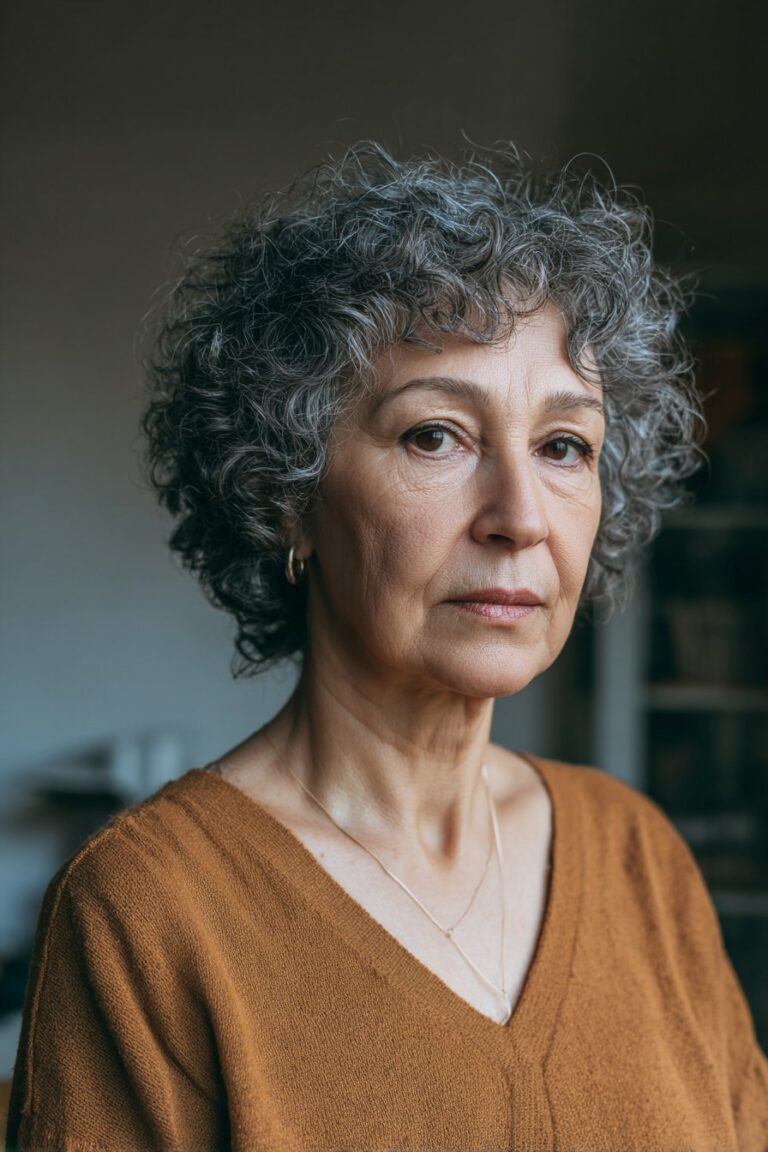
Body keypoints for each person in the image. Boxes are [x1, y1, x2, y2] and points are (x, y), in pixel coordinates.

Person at [6, 140, 768, 1151]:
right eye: (434, 435)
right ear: (288, 498)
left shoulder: (638, 857)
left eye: (563, 446)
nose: (519, 515)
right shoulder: (143, 913)